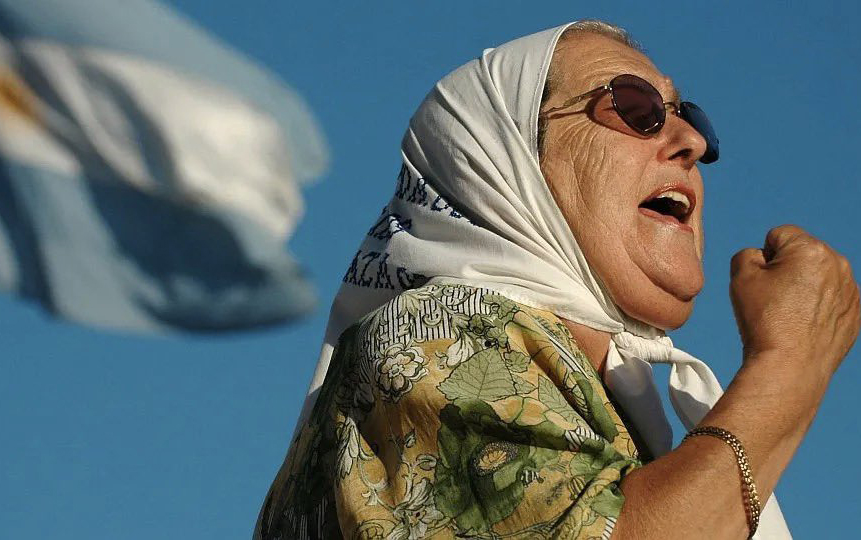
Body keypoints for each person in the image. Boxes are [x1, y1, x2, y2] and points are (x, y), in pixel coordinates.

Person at [255, 20, 859, 539]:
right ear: (507, 159)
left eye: (690, 116)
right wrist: (791, 362)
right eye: (636, 109)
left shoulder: (613, 411)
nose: (693, 143)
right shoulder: (433, 332)